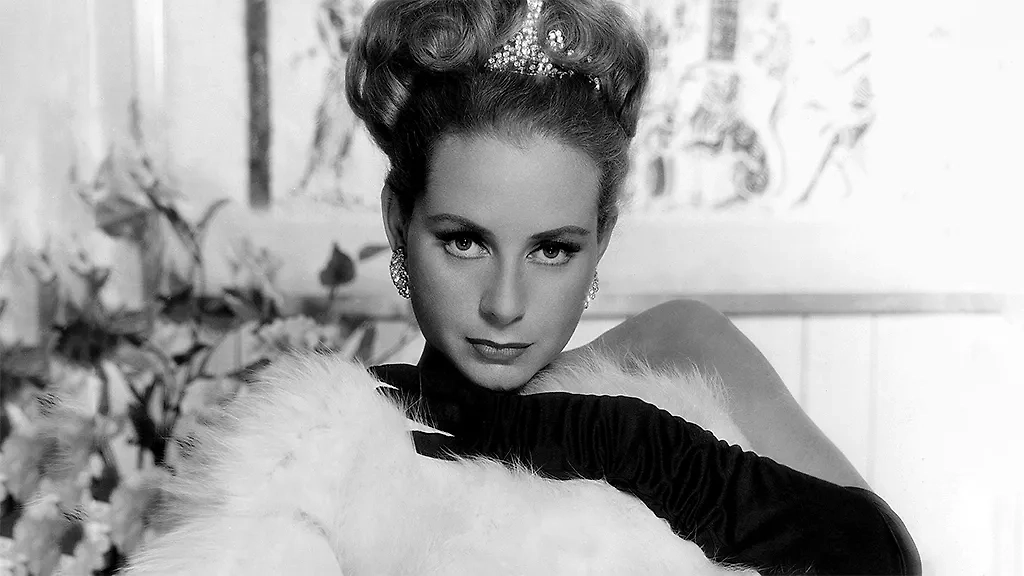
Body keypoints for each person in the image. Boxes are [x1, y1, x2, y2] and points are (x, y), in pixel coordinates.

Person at [123, 0, 920, 574]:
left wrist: (631, 446)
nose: (504, 304)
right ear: (399, 222)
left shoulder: (681, 352)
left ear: (601, 239)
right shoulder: (321, 450)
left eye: (552, 250)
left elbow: (884, 559)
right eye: (464, 241)